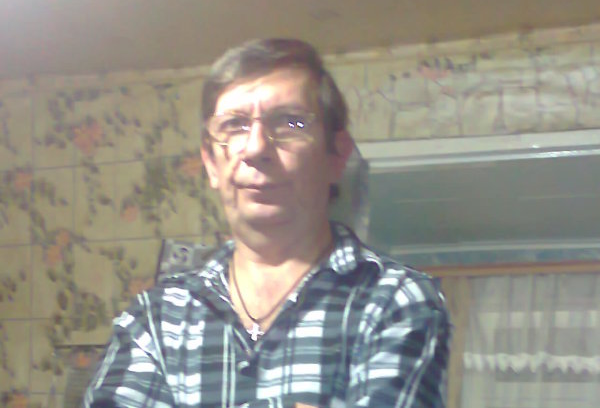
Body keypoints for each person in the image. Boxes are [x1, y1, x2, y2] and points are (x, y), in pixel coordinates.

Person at [84, 38, 451, 407]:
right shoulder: (156, 318)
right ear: (211, 163)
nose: (256, 148)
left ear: (336, 156)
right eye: (234, 125)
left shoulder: (396, 300)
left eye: (290, 122)